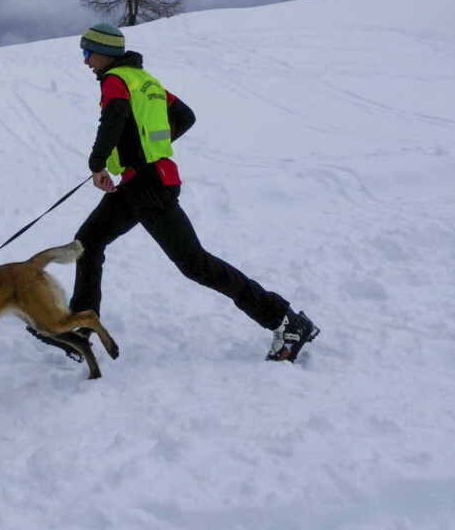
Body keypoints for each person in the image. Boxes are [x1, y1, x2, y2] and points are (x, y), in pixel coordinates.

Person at [52, 22, 317, 362]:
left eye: (88, 53)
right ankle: (80, 330)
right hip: (142, 183)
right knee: (87, 243)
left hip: (148, 187)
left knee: (196, 264)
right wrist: (148, 150)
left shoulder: (115, 80)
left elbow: (114, 117)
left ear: (104, 52)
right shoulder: (145, 80)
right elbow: (184, 116)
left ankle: (284, 320)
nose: (86, 61)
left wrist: (97, 163)